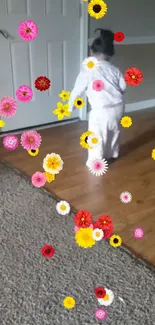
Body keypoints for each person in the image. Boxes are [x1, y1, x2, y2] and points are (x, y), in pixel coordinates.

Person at [68, 28, 126, 166]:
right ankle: (112, 153)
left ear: (91, 52)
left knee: (97, 136)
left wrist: (71, 105)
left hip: (100, 110)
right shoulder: (115, 69)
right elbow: (123, 87)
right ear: (109, 55)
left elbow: (77, 89)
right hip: (118, 107)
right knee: (114, 132)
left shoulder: (88, 70)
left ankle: (96, 161)